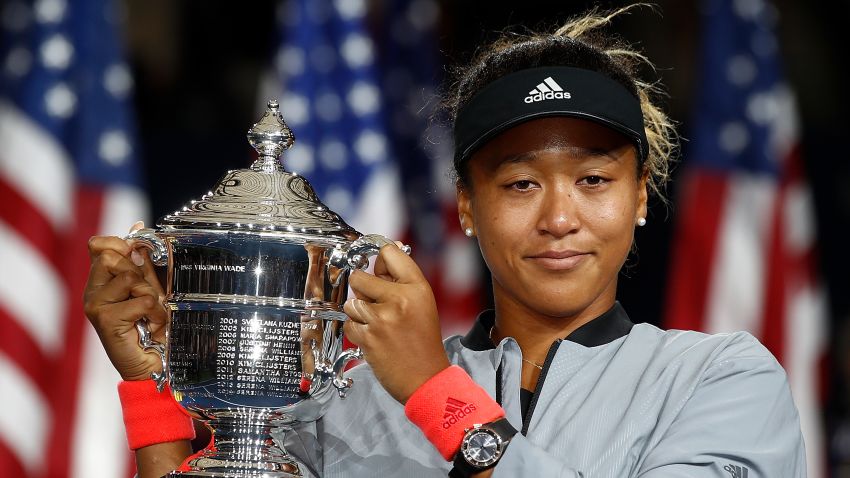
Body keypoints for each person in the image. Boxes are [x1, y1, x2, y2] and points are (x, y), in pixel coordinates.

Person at [83, 6, 807, 477]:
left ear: (640, 195)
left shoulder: (723, 378)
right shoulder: (349, 402)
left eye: (593, 180)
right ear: (465, 206)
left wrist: (436, 393)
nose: (560, 217)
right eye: (520, 184)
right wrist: (149, 383)